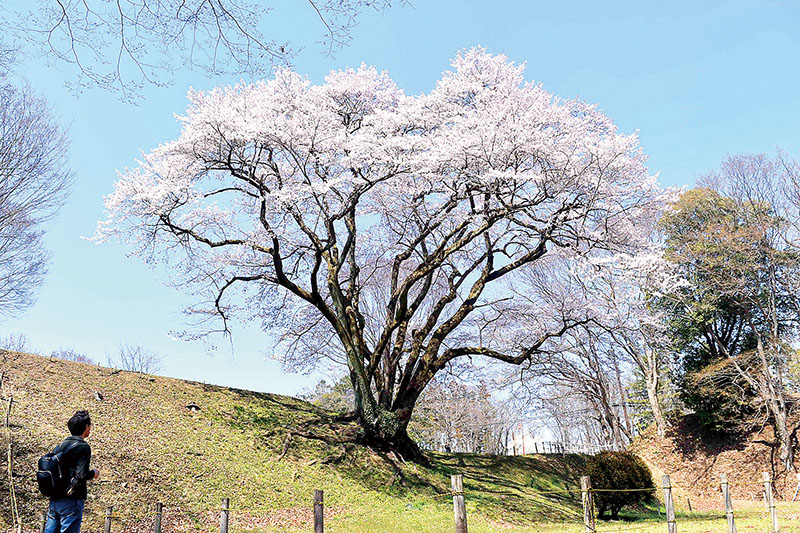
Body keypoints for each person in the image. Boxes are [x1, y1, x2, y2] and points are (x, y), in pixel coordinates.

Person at [43, 410, 100, 533]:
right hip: (72, 498)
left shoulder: (61, 445)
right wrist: (93, 473)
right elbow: (81, 474)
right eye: (90, 426)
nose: (90, 429)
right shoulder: (83, 447)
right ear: (86, 427)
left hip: (55, 497)